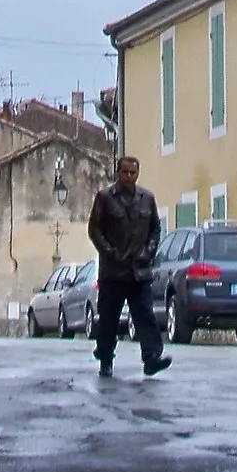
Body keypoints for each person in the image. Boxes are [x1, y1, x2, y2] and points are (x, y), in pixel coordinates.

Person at [87, 155, 167, 375]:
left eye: (133, 173)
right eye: (125, 172)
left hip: (139, 271)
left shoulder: (147, 198)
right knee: (108, 320)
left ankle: (152, 357)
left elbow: (155, 230)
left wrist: (149, 252)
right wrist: (109, 252)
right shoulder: (104, 198)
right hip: (113, 272)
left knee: (145, 315)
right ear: (118, 173)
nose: (129, 177)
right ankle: (105, 358)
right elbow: (94, 229)